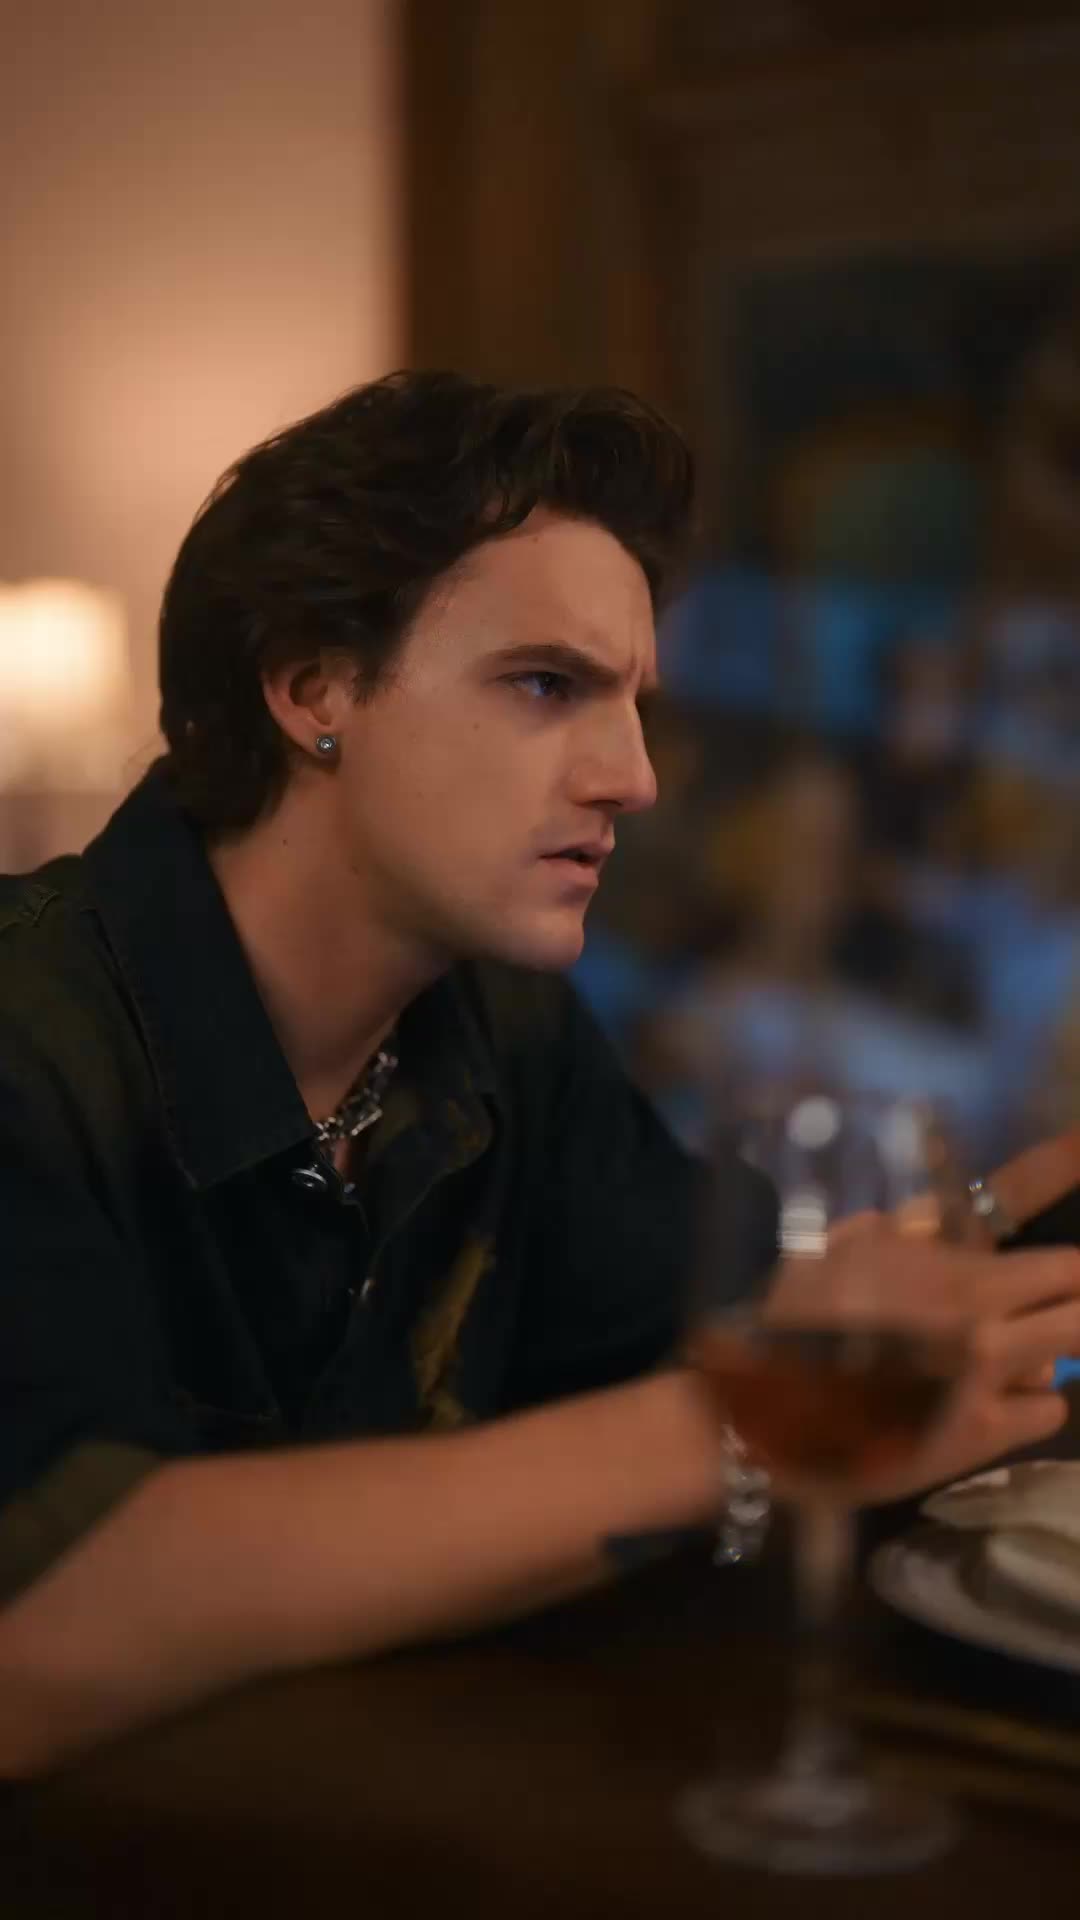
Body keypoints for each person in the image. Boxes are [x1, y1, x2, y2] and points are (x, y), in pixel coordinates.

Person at [0, 371, 1077, 1781]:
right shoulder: (32, 1039)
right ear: (313, 687)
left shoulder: (498, 1024)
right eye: (547, 685)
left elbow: (742, 1319)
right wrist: (739, 1421)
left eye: (633, 702)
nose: (634, 777)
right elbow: (45, 1621)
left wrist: (992, 1244)